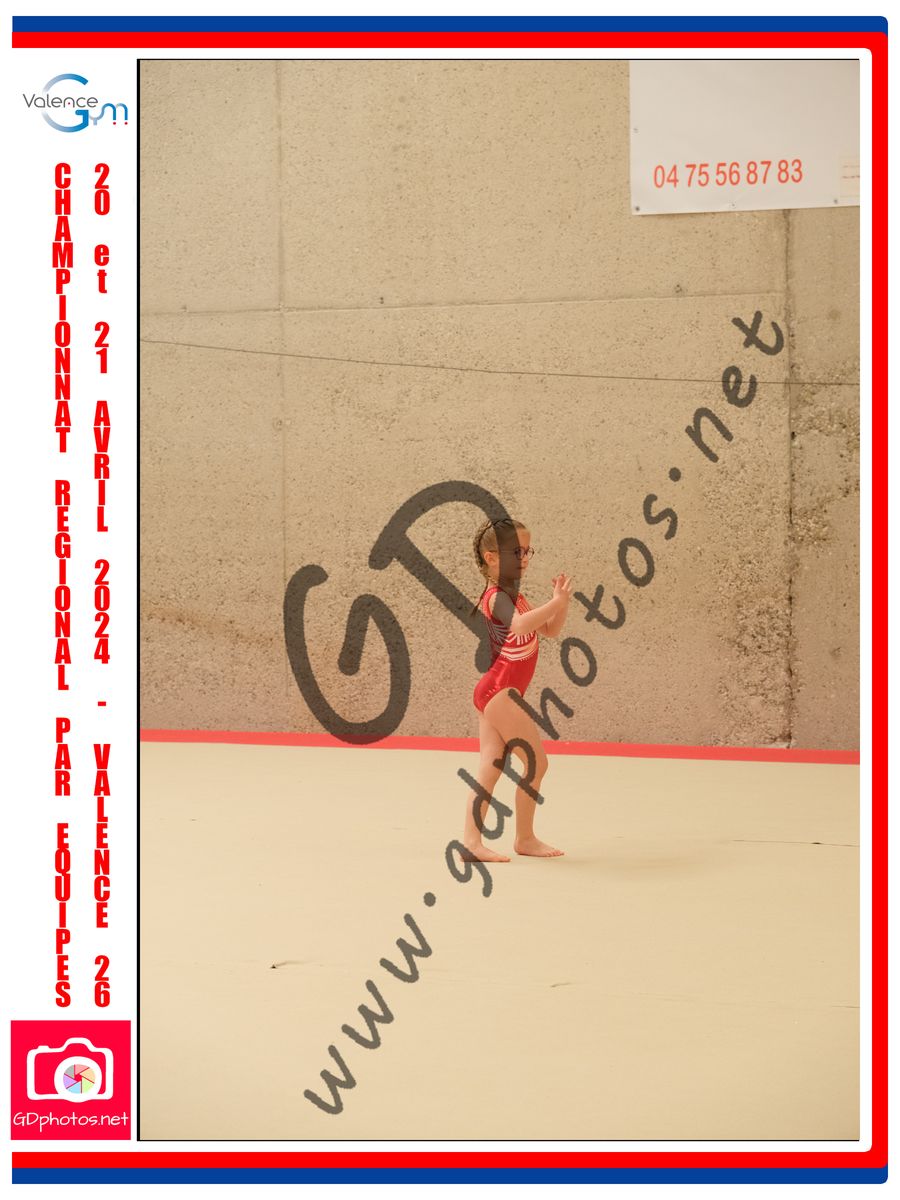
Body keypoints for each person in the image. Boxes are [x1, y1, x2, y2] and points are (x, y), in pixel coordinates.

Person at [463, 516, 572, 861]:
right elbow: (522, 625)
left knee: (490, 766)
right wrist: (554, 604)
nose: (524, 558)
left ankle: (471, 843)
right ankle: (525, 838)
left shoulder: (516, 596)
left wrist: (561, 603)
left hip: (497, 692)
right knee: (536, 764)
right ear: (492, 558)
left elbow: (549, 630)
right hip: (500, 692)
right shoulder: (496, 597)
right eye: (516, 552)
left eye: (527, 551)